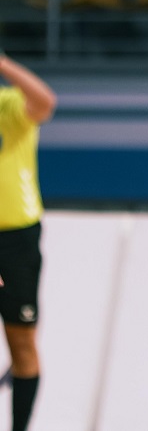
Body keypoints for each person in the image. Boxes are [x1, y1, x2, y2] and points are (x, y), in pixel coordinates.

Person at [0, 51, 57, 431]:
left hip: (15, 237)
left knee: (22, 343)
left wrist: (3, 64)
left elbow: (46, 102)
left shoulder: (9, 104)